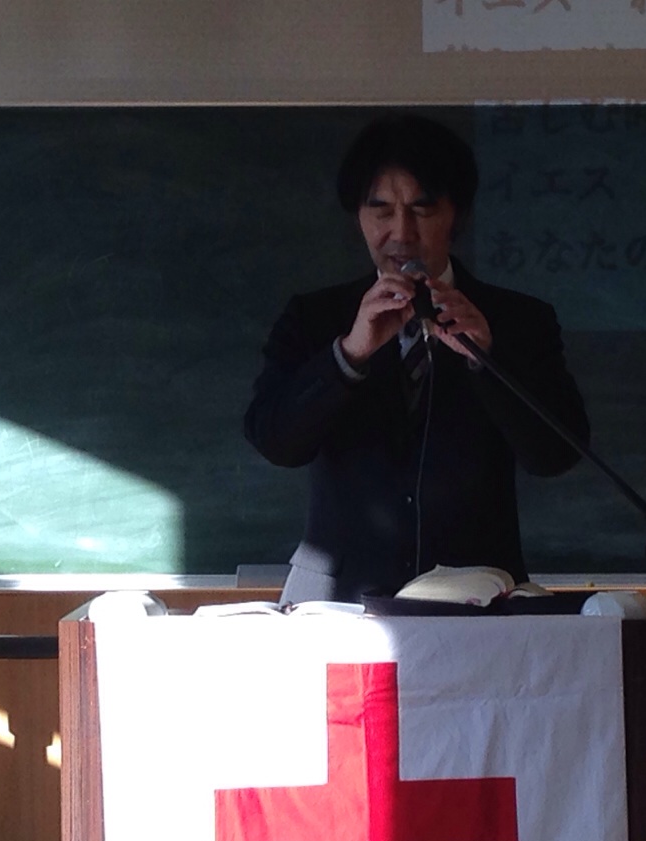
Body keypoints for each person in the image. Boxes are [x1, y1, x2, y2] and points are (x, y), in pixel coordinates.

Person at [245, 113, 589, 604]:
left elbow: (556, 455)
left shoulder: (517, 320)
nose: (401, 232)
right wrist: (349, 355)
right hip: (336, 602)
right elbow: (276, 442)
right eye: (381, 210)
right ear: (359, 216)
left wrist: (486, 358)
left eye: (422, 210)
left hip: (477, 601)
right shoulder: (315, 318)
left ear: (456, 215)